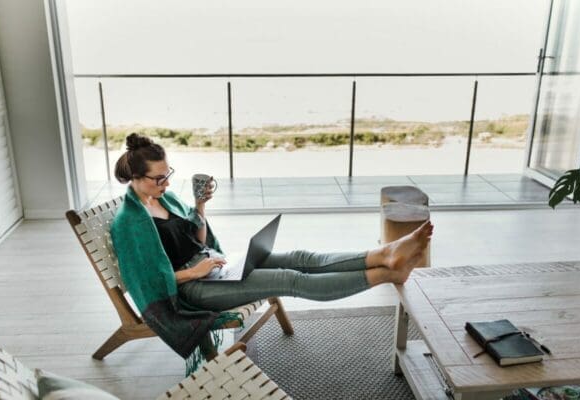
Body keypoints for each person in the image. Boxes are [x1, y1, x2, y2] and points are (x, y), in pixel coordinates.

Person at [110, 133, 433, 365]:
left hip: (212, 268)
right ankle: (389, 274)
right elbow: (150, 283)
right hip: (193, 289)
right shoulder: (129, 223)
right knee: (290, 279)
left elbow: (198, 239)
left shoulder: (163, 198)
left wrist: (200, 205)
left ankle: (385, 255)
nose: (166, 183)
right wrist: (195, 272)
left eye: (168, 175)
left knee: (300, 258)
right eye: (158, 179)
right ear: (135, 178)